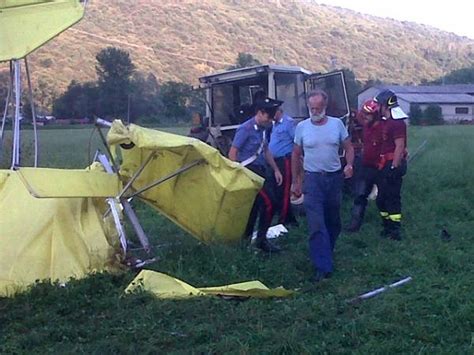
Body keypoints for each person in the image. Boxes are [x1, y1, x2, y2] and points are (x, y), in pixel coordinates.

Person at [291, 89, 354, 282]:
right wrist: (296, 181)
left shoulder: (337, 125)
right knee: (316, 224)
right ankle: (323, 267)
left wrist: (350, 164)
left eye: (318, 108)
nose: (314, 111)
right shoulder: (301, 127)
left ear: (325, 107)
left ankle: (327, 250)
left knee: (333, 221)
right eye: (311, 108)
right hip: (313, 180)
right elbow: (295, 154)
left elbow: (349, 147)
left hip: (334, 179)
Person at [229, 97, 284, 253]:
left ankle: (246, 240)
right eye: (268, 116)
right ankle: (260, 240)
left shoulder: (265, 128)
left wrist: (276, 169)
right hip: (248, 172)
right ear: (260, 113)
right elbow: (233, 152)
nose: (270, 120)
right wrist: (237, 175)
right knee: (270, 203)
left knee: (255, 208)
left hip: (261, 170)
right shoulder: (245, 129)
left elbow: (265, 149)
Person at [373, 89, 408, 241]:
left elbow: (399, 146)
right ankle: (386, 226)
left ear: (385, 105)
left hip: (393, 164)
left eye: (379, 104)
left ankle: (395, 230)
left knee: (392, 197)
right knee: (381, 198)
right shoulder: (386, 122)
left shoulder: (397, 123)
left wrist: (394, 166)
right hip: (384, 164)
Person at [346, 99, 384, 232]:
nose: (365, 117)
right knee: (360, 195)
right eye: (364, 114)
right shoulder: (366, 127)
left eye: (368, 115)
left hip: (381, 168)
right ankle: (354, 225)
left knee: (384, 198)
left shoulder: (383, 128)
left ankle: (390, 227)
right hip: (366, 167)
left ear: (376, 115)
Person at [268, 107, 298, 226]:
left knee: (284, 191)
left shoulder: (288, 123)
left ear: (279, 112)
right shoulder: (274, 124)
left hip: (285, 160)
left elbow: (296, 141)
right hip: (274, 161)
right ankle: (290, 219)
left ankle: (283, 220)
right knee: (276, 191)